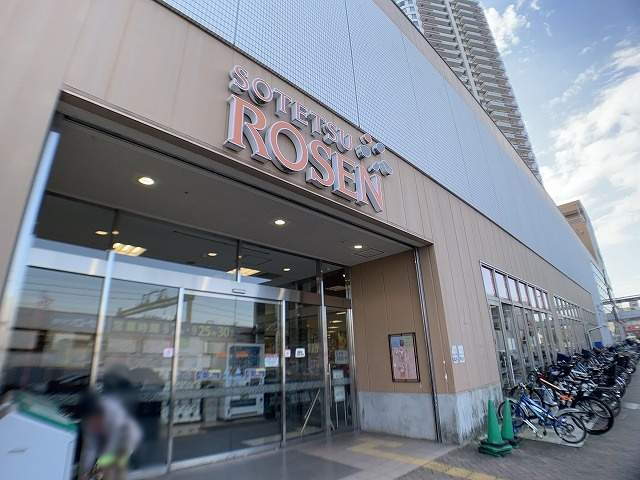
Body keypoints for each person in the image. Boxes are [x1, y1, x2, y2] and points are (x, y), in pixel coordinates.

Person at [77, 388, 142, 480]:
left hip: (126, 438)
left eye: (95, 419)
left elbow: (113, 445)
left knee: (113, 468)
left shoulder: (113, 411)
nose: (93, 424)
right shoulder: (87, 422)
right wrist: (85, 472)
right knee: (99, 470)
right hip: (105, 442)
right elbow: (89, 448)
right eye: (90, 420)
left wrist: (100, 465)